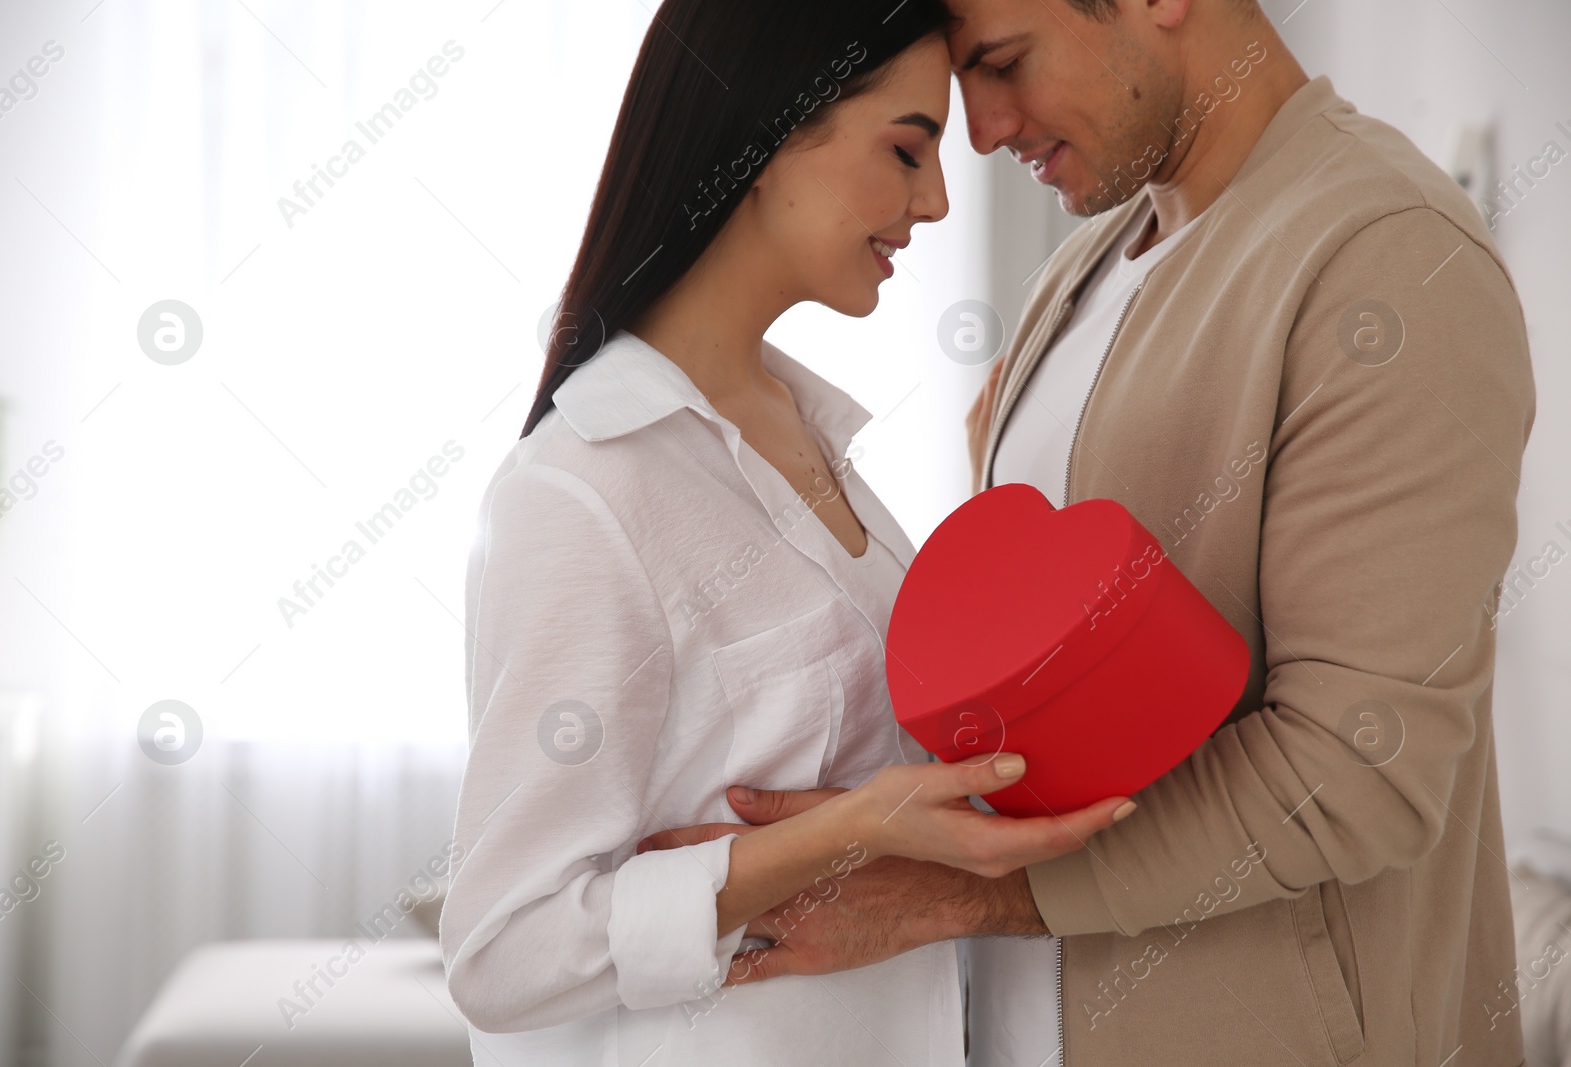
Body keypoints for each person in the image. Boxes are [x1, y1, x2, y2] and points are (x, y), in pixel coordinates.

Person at [647, 0, 1537, 1063]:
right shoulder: (1088, 271)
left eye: (1004, 63)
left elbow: (1358, 767)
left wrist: (944, 892)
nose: (978, 131)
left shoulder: (1385, 259)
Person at [438, 3, 1135, 1065]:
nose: (938, 200)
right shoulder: (584, 485)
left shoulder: (807, 433)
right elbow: (503, 951)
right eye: (906, 148)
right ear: (766, 131)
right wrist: (847, 829)